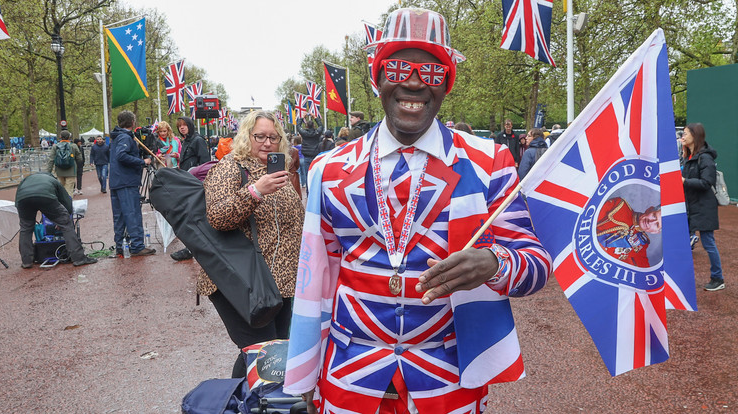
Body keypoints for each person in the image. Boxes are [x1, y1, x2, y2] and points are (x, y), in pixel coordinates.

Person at [283, 8, 552, 414]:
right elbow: (314, 279)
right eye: (397, 67)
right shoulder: (329, 169)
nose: (412, 82)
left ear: (446, 82)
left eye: (430, 72)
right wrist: (304, 370)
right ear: (378, 77)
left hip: (447, 377)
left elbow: (536, 264)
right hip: (348, 375)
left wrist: (495, 264)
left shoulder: (490, 162)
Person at [198, 110, 304, 378]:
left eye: (273, 137)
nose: (267, 143)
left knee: (273, 352)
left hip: (281, 282)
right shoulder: (230, 167)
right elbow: (218, 217)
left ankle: (244, 401)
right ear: (246, 136)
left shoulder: (280, 170)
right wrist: (256, 191)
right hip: (241, 280)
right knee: (261, 350)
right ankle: (238, 402)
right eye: (260, 136)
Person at [15, 172, 97, 268]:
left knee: (25, 229)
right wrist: (64, 219)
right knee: (66, 224)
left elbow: (18, 198)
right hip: (45, 196)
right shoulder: (54, 181)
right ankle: (78, 258)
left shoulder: (26, 179)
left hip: (22, 199)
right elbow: (67, 201)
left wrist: (25, 217)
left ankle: (26, 261)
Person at [681, 123, 725, 291]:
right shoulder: (689, 157)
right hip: (692, 206)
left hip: (704, 207)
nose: (682, 137)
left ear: (695, 135)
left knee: (708, 243)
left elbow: (707, 183)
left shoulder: (704, 158)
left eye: (685, 134)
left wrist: (684, 182)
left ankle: (718, 278)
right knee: (681, 240)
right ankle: (681, 277)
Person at [109, 110, 156, 257]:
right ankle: (136, 245)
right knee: (132, 213)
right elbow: (122, 155)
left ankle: (120, 246)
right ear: (133, 122)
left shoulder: (117, 137)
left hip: (117, 181)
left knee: (120, 216)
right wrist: (142, 161)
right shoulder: (125, 137)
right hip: (126, 182)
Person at [171, 116, 211, 261]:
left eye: (184, 125)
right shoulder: (186, 141)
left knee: (194, 217)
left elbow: (205, 163)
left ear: (189, 125)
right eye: (179, 125)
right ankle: (192, 247)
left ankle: (193, 249)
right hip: (187, 181)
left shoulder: (197, 140)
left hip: (195, 183)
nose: (181, 128)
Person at [596, 197, 662, 267]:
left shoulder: (642, 243)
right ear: (649, 209)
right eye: (654, 216)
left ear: (655, 232)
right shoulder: (619, 206)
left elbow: (643, 271)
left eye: (657, 224)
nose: (651, 222)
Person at [45, 130, 82, 198]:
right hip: (71, 171)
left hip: (59, 171)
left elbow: (51, 160)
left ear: (60, 137)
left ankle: (62, 206)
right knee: (69, 190)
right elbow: (80, 158)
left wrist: (48, 172)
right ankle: (68, 205)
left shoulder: (55, 146)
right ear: (69, 137)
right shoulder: (73, 146)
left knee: (60, 189)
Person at [297, 115, 324, 187]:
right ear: (314, 126)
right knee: (317, 176)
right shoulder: (317, 133)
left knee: (308, 177)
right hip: (316, 156)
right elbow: (321, 126)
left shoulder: (304, 133)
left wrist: (302, 117)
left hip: (307, 157)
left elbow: (298, 126)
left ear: (306, 126)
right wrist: (315, 117)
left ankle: (309, 194)